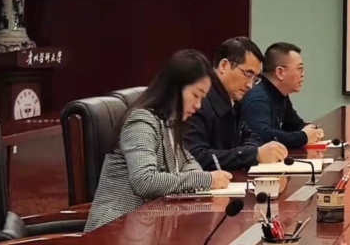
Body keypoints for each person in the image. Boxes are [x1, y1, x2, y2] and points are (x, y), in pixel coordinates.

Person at [85, 50, 232, 231]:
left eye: (202, 98)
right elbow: (144, 181)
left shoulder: (169, 124)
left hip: (147, 225)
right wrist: (206, 179)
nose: (198, 105)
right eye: (196, 95)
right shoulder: (141, 122)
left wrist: (199, 177)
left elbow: (188, 163)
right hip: (114, 229)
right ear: (175, 88)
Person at [187, 36, 289, 170]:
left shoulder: (233, 101)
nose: (250, 85)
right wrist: (253, 155)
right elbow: (195, 157)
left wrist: (253, 153)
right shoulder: (197, 102)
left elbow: (251, 136)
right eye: (248, 74)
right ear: (224, 65)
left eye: (255, 78)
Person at [241, 42, 325, 149]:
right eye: (299, 69)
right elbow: (261, 136)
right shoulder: (257, 99)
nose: (303, 74)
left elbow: (294, 125)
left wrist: (312, 130)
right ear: (280, 72)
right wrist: (303, 137)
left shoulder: (280, 94)